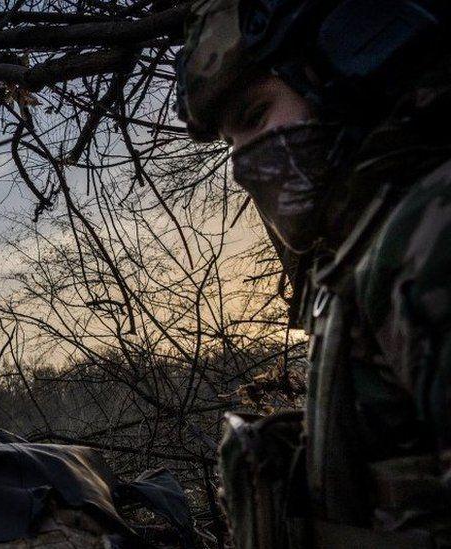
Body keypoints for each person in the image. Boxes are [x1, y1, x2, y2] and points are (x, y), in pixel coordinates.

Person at [176, 0, 451, 547]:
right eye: (233, 143)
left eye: (256, 116)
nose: (245, 162)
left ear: (346, 69)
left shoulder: (429, 228)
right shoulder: (369, 242)